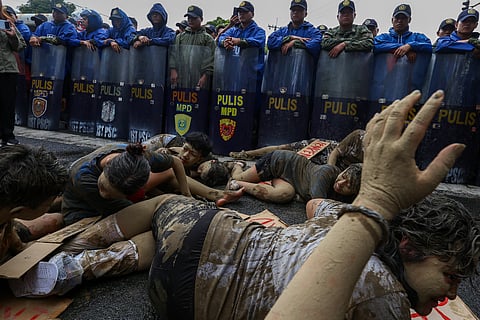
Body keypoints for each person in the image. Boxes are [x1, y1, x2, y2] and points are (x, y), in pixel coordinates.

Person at [11, 90, 473, 320]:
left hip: (199, 249)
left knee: (168, 211)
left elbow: (314, 211)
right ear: (408, 246)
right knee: (171, 220)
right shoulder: (385, 301)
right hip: (177, 301)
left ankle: (67, 259)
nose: (451, 295)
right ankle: (62, 267)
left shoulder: (345, 223)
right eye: (450, 275)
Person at [61, 142, 190, 226]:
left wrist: (186, 195)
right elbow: (135, 213)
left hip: (120, 204)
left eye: (112, 195)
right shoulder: (83, 178)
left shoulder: (137, 156)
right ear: (108, 163)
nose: (104, 195)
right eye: (102, 186)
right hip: (81, 213)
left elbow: (176, 162)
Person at [0, 144, 68, 264]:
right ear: (18, 210)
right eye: (47, 205)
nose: (49, 206)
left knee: (56, 219)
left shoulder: (6, 204)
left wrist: (19, 246)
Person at [228, 149, 362, 203]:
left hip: (291, 182)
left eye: (347, 186)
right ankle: (236, 166)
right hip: (280, 162)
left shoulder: (353, 196)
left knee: (283, 195)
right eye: (343, 177)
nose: (340, 183)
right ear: (342, 171)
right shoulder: (326, 172)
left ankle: (240, 185)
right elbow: (317, 206)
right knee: (239, 176)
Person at [229, 128, 365, 170]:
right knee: (283, 148)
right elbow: (335, 152)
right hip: (325, 149)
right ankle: (246, 154)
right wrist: (330, 171)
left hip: (325, 166)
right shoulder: (359, 135)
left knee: (287, 161)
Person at [169, 5, 215, 89]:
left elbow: (211, 60)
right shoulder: (180, 37)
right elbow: (174, 54)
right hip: (181, 77)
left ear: (201, 19)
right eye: (189, 18)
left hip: (199, 79)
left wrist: (205, 76)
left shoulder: (208, 39)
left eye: (194, 18)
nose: (190, 20)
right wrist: (173, 70)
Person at [0, 2, 26, 147]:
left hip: (8, 69)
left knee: (7, 104)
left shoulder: (7, 22)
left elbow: (21, 45)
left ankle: (8, 135)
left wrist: (12, 36)